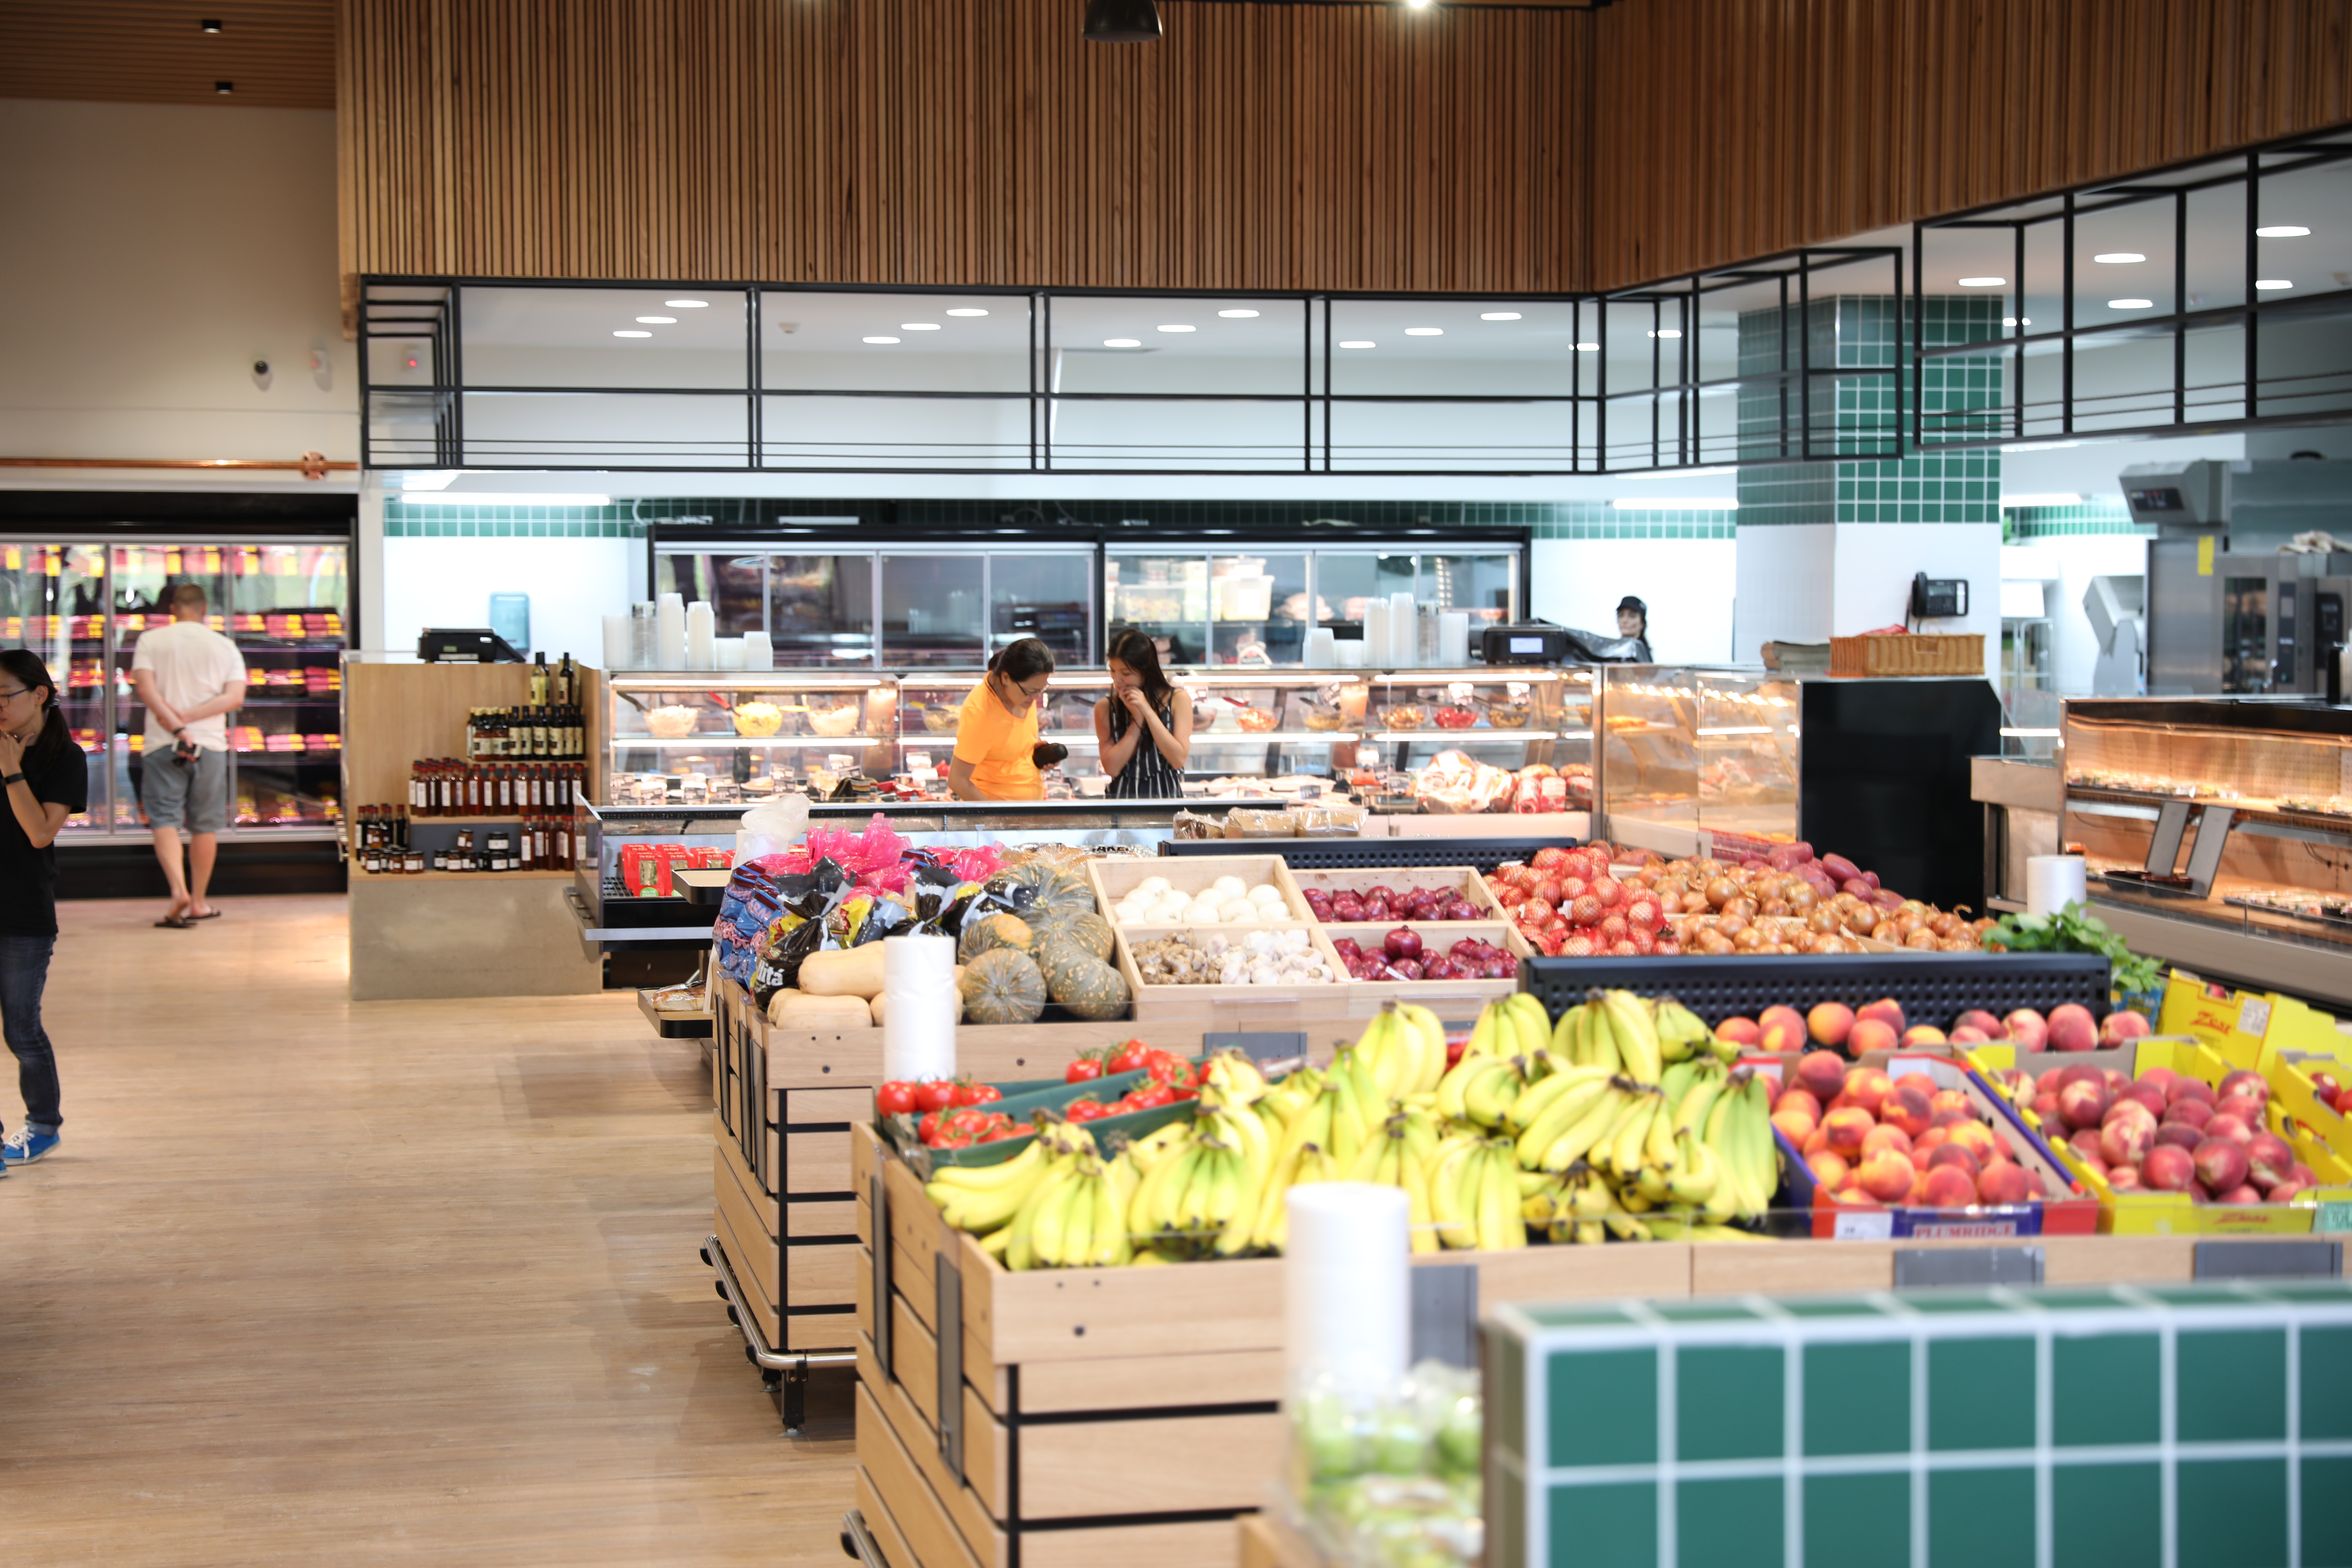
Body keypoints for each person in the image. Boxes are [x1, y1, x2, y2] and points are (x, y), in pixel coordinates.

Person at [0, 651, 85, 1172]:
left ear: (38, 695)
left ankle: (44, 1125)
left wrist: (11, 770)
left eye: (4, 696)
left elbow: (39, 833)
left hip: (24, 910)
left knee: (21, 1028)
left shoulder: (64, 758)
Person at [130, 582, 247, 928]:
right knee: (205, 825)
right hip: (210, 744)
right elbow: (235, 698)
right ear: (204, 609)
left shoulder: (151, 640)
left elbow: (146, 690)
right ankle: (198, 902)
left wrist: (175, 722)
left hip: (162, 742)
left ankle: (177, 890)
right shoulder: (225, 646)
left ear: (173, 609)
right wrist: (193, 717)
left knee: (164, 819)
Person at [948, 637, 1056, 801]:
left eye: (1042, 690)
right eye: (1031, 691)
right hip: (997, 809)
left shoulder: (1022, 694)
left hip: (1029, 807)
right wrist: (994, 815)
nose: (1036, 698)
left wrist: (1037, 752)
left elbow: (1006, 744)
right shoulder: (981, 713)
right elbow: (958, 781)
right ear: (1006, 678)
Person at [1095, 629, 1192, 798]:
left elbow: (1178, 760)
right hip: (1122, 801)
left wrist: (1147, 711)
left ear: (1146, 671)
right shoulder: (1106, 707)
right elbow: (1112, 768)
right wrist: (1138, 721)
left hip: (1167, 800)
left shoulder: (1178, 700)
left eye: (1126, 673)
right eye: (1113, 670)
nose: (1117, 679)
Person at [1616, 596, 1654, 662]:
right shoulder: (1612, 650)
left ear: (1642, 624)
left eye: (1632, 616)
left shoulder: (1642, 653)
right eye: (1621, 615)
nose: (1625, 620)